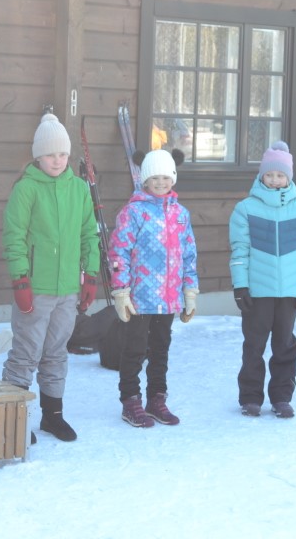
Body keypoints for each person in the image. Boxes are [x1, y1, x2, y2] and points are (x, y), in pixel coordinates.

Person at [0, 112, 99, 442]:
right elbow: (14, 236)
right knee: (26, 353)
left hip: (67, 289)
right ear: (37, 156)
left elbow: (89, 234)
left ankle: (52, 416)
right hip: (36, 288)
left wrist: (90, 275)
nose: (57, 161)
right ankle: (11, 420)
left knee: (56, 351)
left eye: (62, 154)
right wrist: (20, 279)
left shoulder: (79, 190)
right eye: (50, 154)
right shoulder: (26, 189)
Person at [108, 148, 198, 428]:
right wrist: (121, 291)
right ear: (145, 180)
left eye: (166, 177)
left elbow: (189, 255)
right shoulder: (133, 212)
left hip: (169, 298)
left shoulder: (181, 214)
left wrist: (189, 292)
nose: (161, 182)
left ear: (173, 178)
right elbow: (119, 252)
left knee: (160, 350)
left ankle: (156, 399)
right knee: (134, 349)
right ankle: (130, 400)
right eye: (154, 178)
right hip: (139, 297)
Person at [229, 141, 296, 419]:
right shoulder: (245, 209)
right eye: (270, 174)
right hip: (258, 292)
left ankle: (281, 397)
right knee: (254, 346)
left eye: (280, 175)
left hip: (289, 293)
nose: (275, 179)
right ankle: (250, 397)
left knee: (285, 346)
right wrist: (240, 285)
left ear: (288, 177)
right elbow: (239, 250)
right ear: (261, 176)